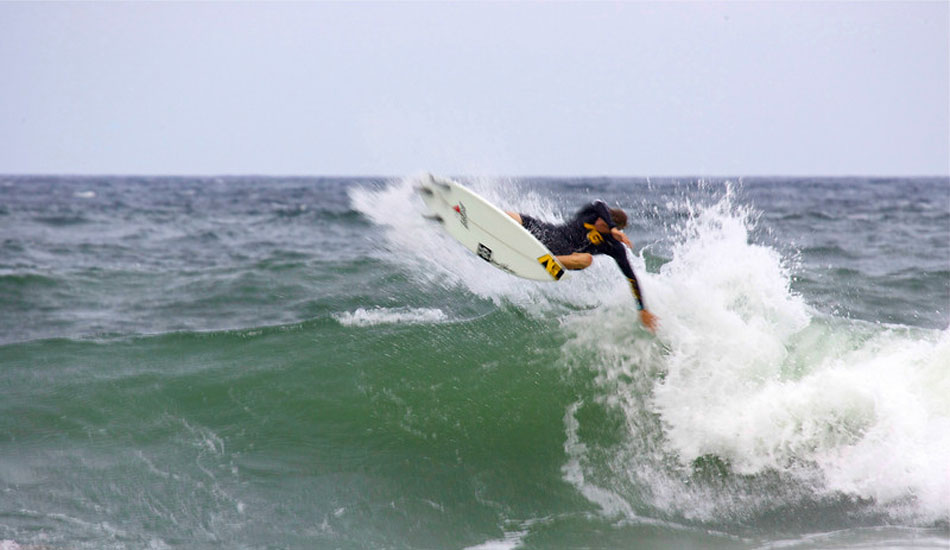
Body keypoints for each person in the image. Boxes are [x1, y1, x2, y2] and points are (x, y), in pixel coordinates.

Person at [506, 200, 659, 333]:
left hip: (562, 259)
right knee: (515, 217)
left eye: (604, 225)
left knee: (587, 260)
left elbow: (631, 277)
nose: (599, 223)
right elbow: (600, 204)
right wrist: (611, 226)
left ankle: (539, 260)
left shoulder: (613, 246)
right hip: (550, 234)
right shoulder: (592, 213)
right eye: (602, 220)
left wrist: (642, 309)